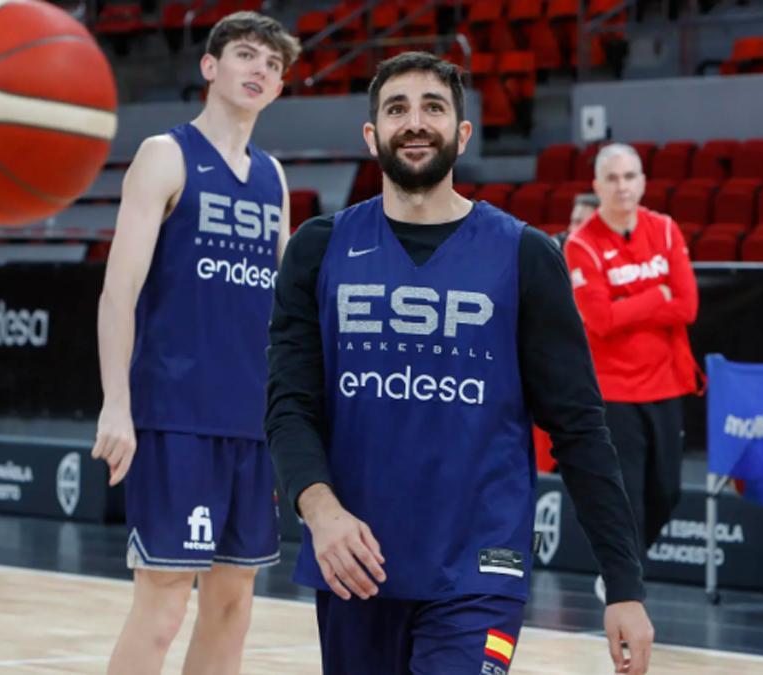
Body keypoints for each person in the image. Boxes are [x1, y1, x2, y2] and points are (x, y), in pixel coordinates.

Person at [267, 52, 654, 675]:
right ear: (372, 135)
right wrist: (322, 513)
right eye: (397, 109)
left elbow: (580, 427)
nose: (414, 122)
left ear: (462, 132)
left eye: (433, 108)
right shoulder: (319, 249)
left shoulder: (525, 255)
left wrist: (624, 585)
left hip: (480, 568)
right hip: (354, 563)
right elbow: (290, 405)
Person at [90, 12, 299, 675]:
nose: (259, 68)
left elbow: (285, 314)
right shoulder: (165, 154)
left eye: (272, 63)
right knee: (163, 602)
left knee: (234, 604)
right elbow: (118, 290)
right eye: (245, 54)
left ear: (278, 88)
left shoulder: (274, 176)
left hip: (251, 420)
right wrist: (115, 403)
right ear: (210, 67)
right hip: (175, 414)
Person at [563, 143, 699, 602]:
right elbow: (600, 320)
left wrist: (631, 304)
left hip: (666, 383)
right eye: (613, 178)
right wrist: (654, 296)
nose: (623, 186)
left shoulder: (664, 229)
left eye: (630, 176)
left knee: (668, 491)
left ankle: (626, 566)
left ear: (642, 182)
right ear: (598, 186)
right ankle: (623, 580)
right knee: (628, 494)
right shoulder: (581, 244)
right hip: (614, 390)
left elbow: (688, 304)